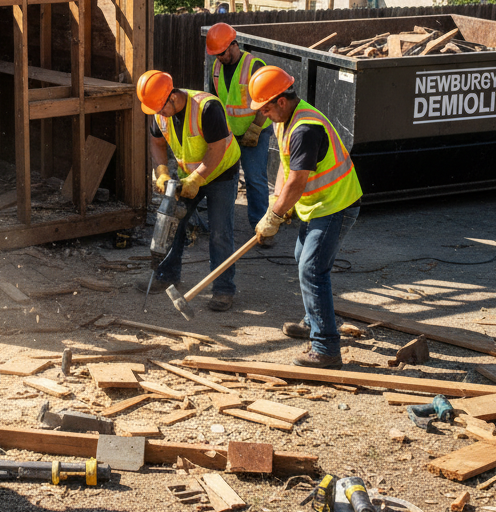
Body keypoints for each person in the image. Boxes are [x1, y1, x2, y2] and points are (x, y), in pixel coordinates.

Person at [249, 65, 363, 369]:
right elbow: (286, 168)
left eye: (265, 108)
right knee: (303, 258)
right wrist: (276, 203)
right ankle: (315, 318)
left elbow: (298, 182)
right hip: (318, 204)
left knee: (312, 269)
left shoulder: (304, 129)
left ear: (281, 101)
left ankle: (326, 347)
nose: (262, 114)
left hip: (336, 204)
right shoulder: (284, 121)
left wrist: (274, 216)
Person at [135, 69, 241, 312]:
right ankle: (167, 275)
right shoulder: (158, 110)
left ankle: (223, 290)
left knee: (220, 232)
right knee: (173, 223)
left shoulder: (207, 108)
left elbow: (217, 149)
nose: (159, 114)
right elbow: (157, 142)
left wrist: (197, 179)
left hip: (221, 172)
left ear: (172, 97)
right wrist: (161, 170)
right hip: (188, 174)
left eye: (161, 108)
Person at [205, 23, 272, 239]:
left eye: (222, 53)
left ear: (234, 45)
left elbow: (267, 100)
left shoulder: (254, 65)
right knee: (225, 179)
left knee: (255, 180)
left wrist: (255, 128)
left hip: (256, 131)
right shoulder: (215, 68)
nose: (220, 58)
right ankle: (222, 227)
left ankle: (261, 229)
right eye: (216, 55)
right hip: (230, 134)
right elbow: (212, 101)